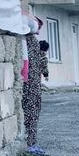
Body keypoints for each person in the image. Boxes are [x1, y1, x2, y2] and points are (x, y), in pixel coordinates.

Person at [22, 16, 47, 149]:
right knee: (31, 113)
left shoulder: (31, 41)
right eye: (38, 27)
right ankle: (30, 143)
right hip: (31, 85)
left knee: (32, 112)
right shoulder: (29, 41)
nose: (38, 30)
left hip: (32, 84)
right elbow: (30, 65)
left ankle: (30, 142)